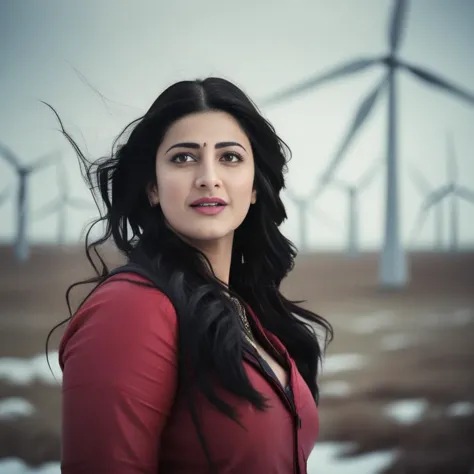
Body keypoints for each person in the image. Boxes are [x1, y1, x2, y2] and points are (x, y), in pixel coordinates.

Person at [47, 77, 333, 474]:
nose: (208, 177)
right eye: (183, 158)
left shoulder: (245, 309)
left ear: (254, 187)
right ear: (152, 187)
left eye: (230, 157)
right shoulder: (130, 309)